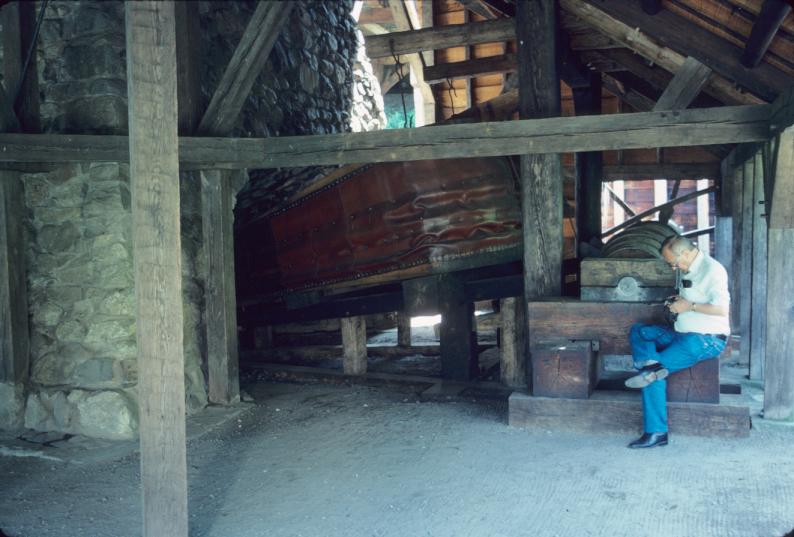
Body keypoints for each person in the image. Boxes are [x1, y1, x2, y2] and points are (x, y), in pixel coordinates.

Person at [624, 234, 730, 449]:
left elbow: (722, 310)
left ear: (687, 252)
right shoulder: (687, 268)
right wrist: (677, 303)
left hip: (705, 340)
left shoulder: (713, 270)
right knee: (640, 331)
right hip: (682, 333)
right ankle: (650, 366)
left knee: (650, 376)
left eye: (674, 262)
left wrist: (688, 307)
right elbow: (690, 298)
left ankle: (656, 432)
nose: (674, 267)